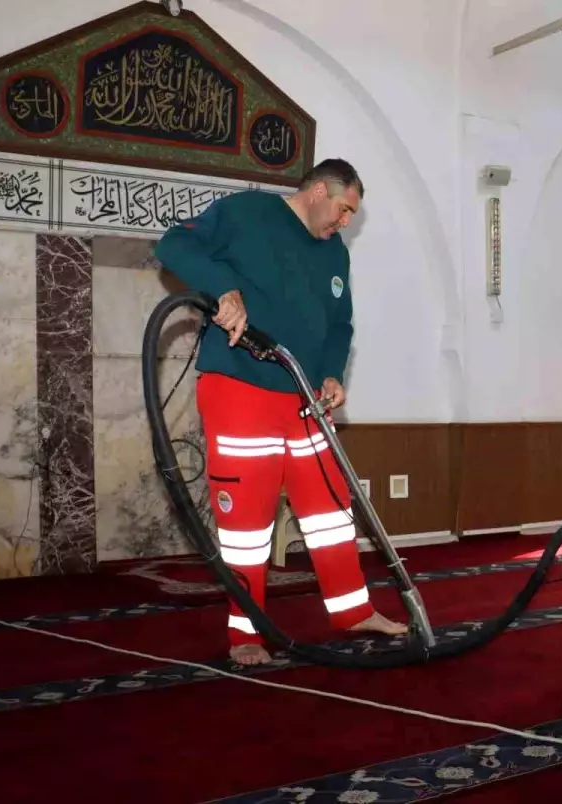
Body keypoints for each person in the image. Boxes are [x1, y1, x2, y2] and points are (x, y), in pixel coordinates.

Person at [155, 158, 407, 667]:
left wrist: (333, 373)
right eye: (343, 210)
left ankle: (353, 611)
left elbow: (341, 326)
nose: (345, 223)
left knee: (332, 510)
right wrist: (222, 289)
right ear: (318, 191)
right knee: (248, 521)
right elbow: (174, 245)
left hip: (307, 398)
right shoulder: (247, 214)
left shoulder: (334, 253)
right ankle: (247, 632)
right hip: (242, 388)